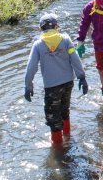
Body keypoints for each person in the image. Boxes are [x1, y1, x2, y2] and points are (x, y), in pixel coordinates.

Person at [24, 13, 88, 146]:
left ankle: (58, 149)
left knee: (53, 118)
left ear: (41, 29)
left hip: (52, 87)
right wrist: (82, 77)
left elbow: (31, 67)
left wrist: (28, 86)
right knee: (65, 110)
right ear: (57, 26)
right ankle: (68, 137)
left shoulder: (38, 45)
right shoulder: (65, 40)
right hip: (68, 83)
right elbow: (75, 58)